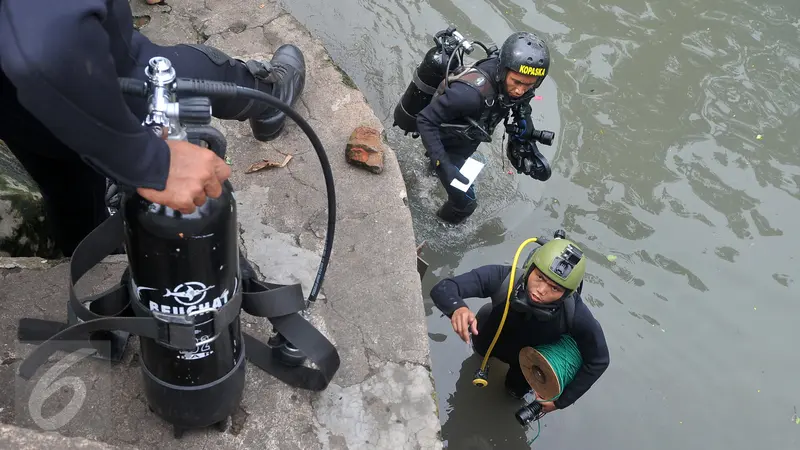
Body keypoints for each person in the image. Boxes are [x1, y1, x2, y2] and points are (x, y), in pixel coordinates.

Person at [0, 0, 305, 257]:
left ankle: (103, 260)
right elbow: (45, 55)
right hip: (72, 70)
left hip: (14, 106)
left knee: (63, 180)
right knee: (145, 69)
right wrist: (150, 163)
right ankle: (267, 97)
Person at [429, 233, 610, 413]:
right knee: (472, 368)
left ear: (567, 293)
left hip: (529, 364)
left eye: (554, 288)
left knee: (513, 395)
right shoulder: (505, 279)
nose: (541, 290)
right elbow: (444, 288)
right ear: (531, 268)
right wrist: (458, 308)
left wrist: (561, 402)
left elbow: (598, 360)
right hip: (488, 337)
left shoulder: (574, 313)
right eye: (539, 277)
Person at [416, 31, 551, 224]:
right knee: (466, 205)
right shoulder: (468, 96)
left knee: (454, 166)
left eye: (529, 85)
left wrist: (525, 135)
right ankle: (435, 227)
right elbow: (425, 120)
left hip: (465, 142)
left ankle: (428, 172)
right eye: (517, 82)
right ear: (503, 70)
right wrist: (443, 164)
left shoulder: (516, 85)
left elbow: (522, 104)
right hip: (447, 146)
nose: (521, 90)